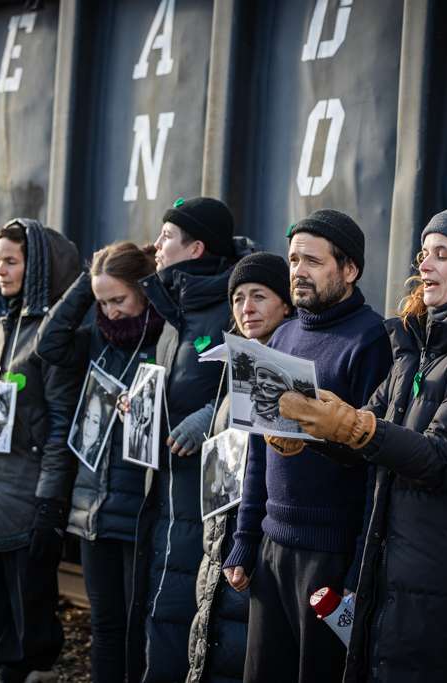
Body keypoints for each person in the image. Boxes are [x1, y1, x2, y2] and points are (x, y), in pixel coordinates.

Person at [279, 205, 447, 682]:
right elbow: (367, 435)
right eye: (423, 253)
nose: (423, 264)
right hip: (406, 572)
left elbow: (441, 458)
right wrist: (312, 434)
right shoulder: (417, 350)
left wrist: (351, 427)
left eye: (441, 254)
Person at [222, 211, 392, 683]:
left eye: (312, 261)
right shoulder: (282, 334)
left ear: (349, 269)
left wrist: (359, 568)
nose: (297, 270)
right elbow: (261, 450)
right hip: (274, 548)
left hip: (330, 555)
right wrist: (245, 542)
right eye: (294, 259)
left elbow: (377, 466)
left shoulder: (370, 340)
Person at [129, 196, 250, 683]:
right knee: (166, 605)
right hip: (169, 490)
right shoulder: (175, 306)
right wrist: (140, 405)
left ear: (196, 248)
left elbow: (260, 383)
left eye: (166, 237)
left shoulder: (236, 304)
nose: (156, 246)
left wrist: (209, 415)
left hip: (206, 496)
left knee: (183, 608)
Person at [0, 218, 82, 683]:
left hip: (27, 490)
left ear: (39, 267)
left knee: (28, 600)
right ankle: (2, 666)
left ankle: (30, 670)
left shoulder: (50, 336)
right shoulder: (1, 328)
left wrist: (50, 502)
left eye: (11, 261)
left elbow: (59, 424)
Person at [35, 241, 164, 683]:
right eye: (102, 301)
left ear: (144, 290)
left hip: (137, 509)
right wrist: (88, 283)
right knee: (105, 626)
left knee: (136, 627)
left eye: (119, 299)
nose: (110, 311)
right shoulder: (96, 342)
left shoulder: (164, 337)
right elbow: (47, 344)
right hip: (93, 510)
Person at [181, 251, 292, 683]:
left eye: (259, 296)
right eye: (239, 298)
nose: (246, 307)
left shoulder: (283, 369)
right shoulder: (239, 363)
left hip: (256, 546)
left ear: (286, 303)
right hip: (221, 542)